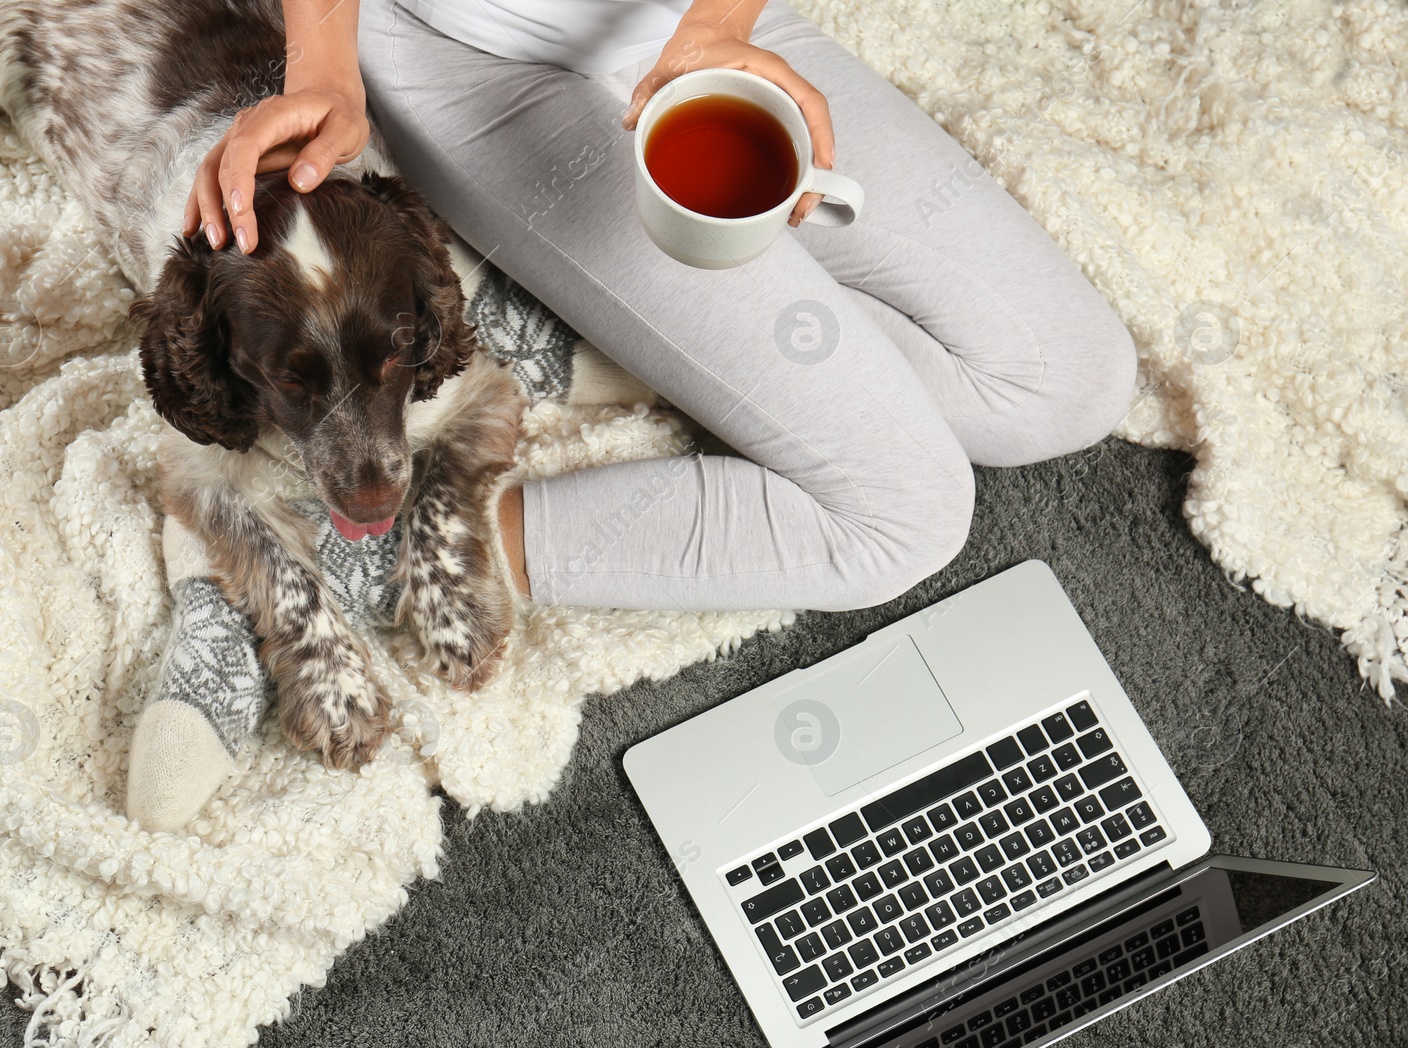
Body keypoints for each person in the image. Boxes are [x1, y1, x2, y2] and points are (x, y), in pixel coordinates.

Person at [181, 0, 1139, 616]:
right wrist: (320, 67)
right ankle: (423, 549)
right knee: (905, 516)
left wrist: (720, 27)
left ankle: (630, 341)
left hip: (682, 20)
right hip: (467, 54)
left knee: (1069, 383)